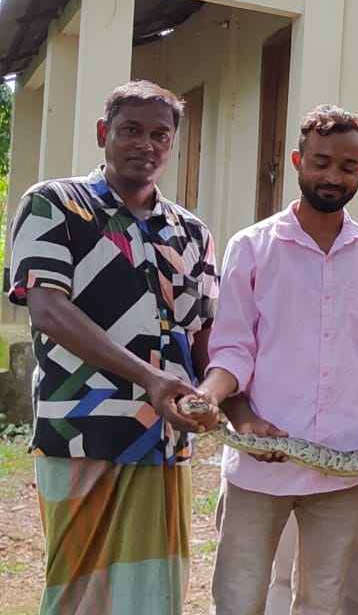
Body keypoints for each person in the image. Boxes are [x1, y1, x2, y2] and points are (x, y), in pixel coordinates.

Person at [194, 105, 358, 615]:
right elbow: (232, 348)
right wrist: (237, 414)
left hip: (341, 466)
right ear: (297, 161)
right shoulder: (252, 247)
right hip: (259, 463)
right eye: (320, 162)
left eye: (346, 166)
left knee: (323, 600)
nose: (331, 176)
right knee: (238, 596)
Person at [7, 81, 218, 615]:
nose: (145, 144)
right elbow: (49, 308)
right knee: (79, 590)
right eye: (130, 130)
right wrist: (149, 378)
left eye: (159, 135)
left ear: (172, 144)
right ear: (105, 133)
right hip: (81, 428)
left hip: (163, 439)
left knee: (155, 591)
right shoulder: (55, 204)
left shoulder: (191, 232)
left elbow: (203, 335)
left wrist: (218, 397)